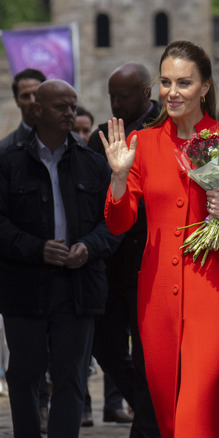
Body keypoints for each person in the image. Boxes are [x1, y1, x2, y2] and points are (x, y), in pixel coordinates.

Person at [100, 40, 219, 438]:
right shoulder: (144, 143)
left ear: (205, 87)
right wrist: (119, 178)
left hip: (212, 293)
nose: (172, 92)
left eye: (184, 83)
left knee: (197, 413)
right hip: (155, 297)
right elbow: (119, 223)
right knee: (169, 417)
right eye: (166, 82)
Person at [0, 79, 120, 437]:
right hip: (24, 285)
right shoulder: (8, 163)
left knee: (71, 376)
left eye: (73, 105)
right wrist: (36, 248)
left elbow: (115, 223)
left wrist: (90, 246)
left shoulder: (93, 165)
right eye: (61, 107)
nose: (70, 113)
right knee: (23, 375)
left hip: (77, 285)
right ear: (37, 111)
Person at [88, 62, 162, 437]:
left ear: (146, 93)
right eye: (111, 96)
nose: (116, 103)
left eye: (124, 95)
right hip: (107, 263)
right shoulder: (101, 137)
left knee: (147, 352)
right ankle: (150, 407)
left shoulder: (162, 132)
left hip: (148, 260)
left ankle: (148, 423)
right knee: (105, 345)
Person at [0, 68, 46, 151]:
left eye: (37, 94)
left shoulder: (70, 142)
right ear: (17, 100)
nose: (32, 101)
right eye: (25, 96)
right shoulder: (5, 149)